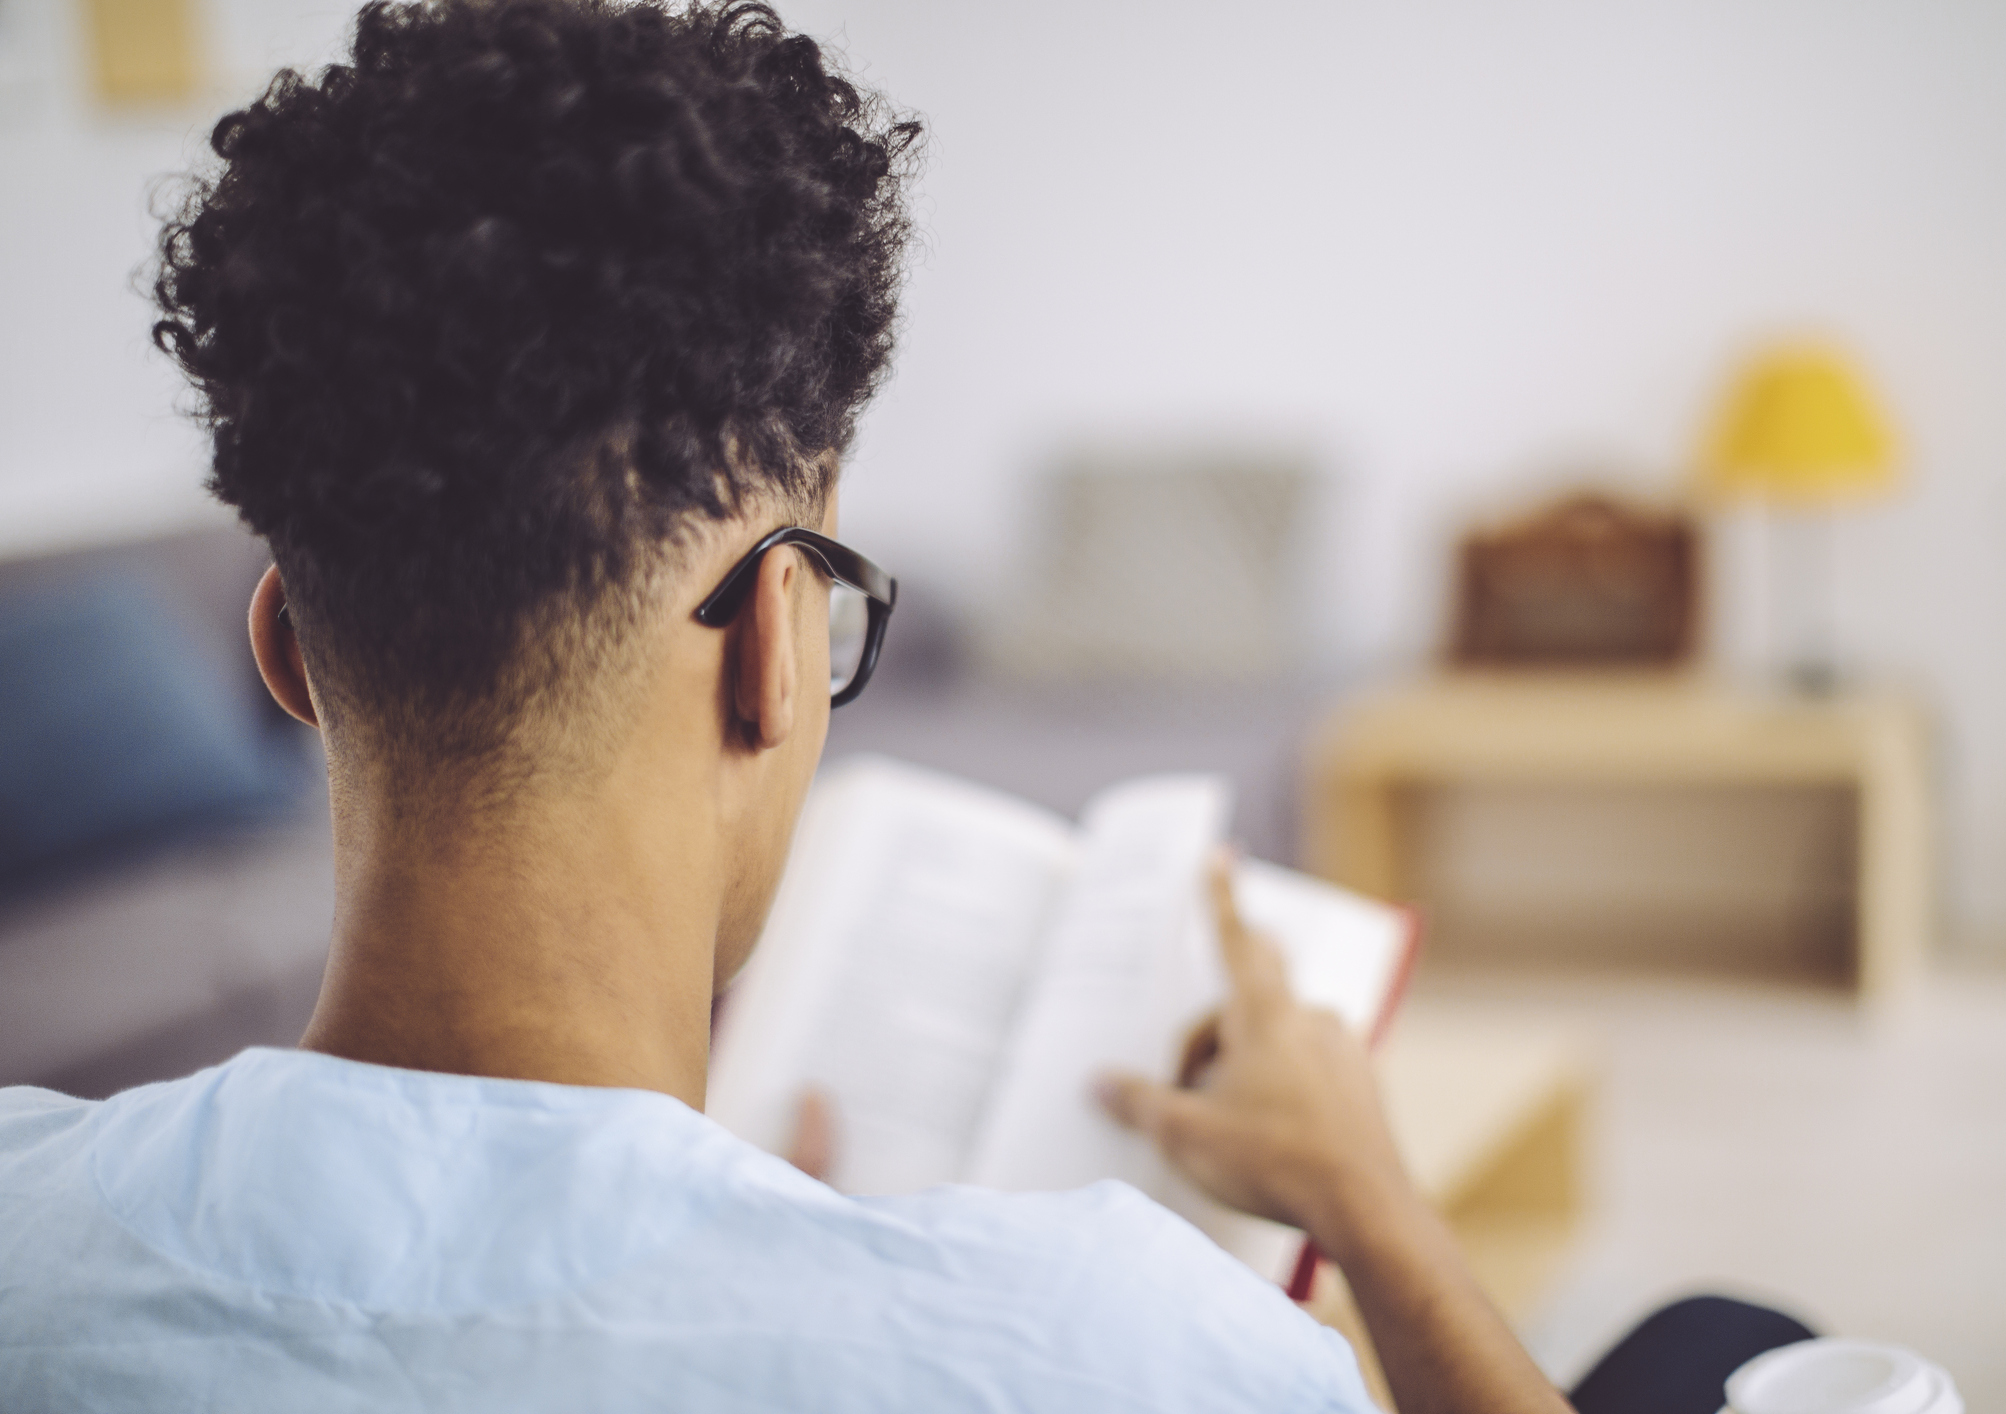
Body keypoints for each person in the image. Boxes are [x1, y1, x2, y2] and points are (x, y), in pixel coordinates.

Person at [0, 3, 1808, 1410]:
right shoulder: (1118, 1347)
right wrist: (1377, 1209)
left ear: (290, 653)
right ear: (774, 641)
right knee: (1729, 1341)